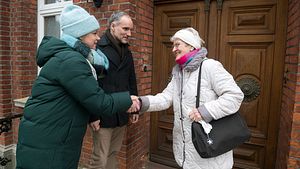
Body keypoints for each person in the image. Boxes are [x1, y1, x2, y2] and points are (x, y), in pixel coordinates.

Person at [16, 5, 139, 169]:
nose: (97, 37)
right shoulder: (71, 60)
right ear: (79, 34)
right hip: (50, 141)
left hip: (54, 135)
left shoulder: (78, 57)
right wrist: (128, 100)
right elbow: (96, 99)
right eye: (94, 33)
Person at [136, 27, 244, 169]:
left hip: (210, 151)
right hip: (187, 150)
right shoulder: (179, 73)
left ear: (191, 45)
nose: (173, 49)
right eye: (173, 45)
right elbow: (166, 98)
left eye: (177, 44)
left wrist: (205, 111)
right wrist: (140, 102)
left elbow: (235, 96)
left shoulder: (210, 67)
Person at [88, 12, 139, 169]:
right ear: (113, 26)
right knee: (100, 159)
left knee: (113, 153)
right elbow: (90, 85)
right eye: (125, 29)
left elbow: (131, 80)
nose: (129, 33)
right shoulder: (96, 49)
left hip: (121, 112)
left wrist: (135, 108)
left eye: (130, 30)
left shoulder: (127, 51)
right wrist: (93, 115)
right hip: (103, 114)